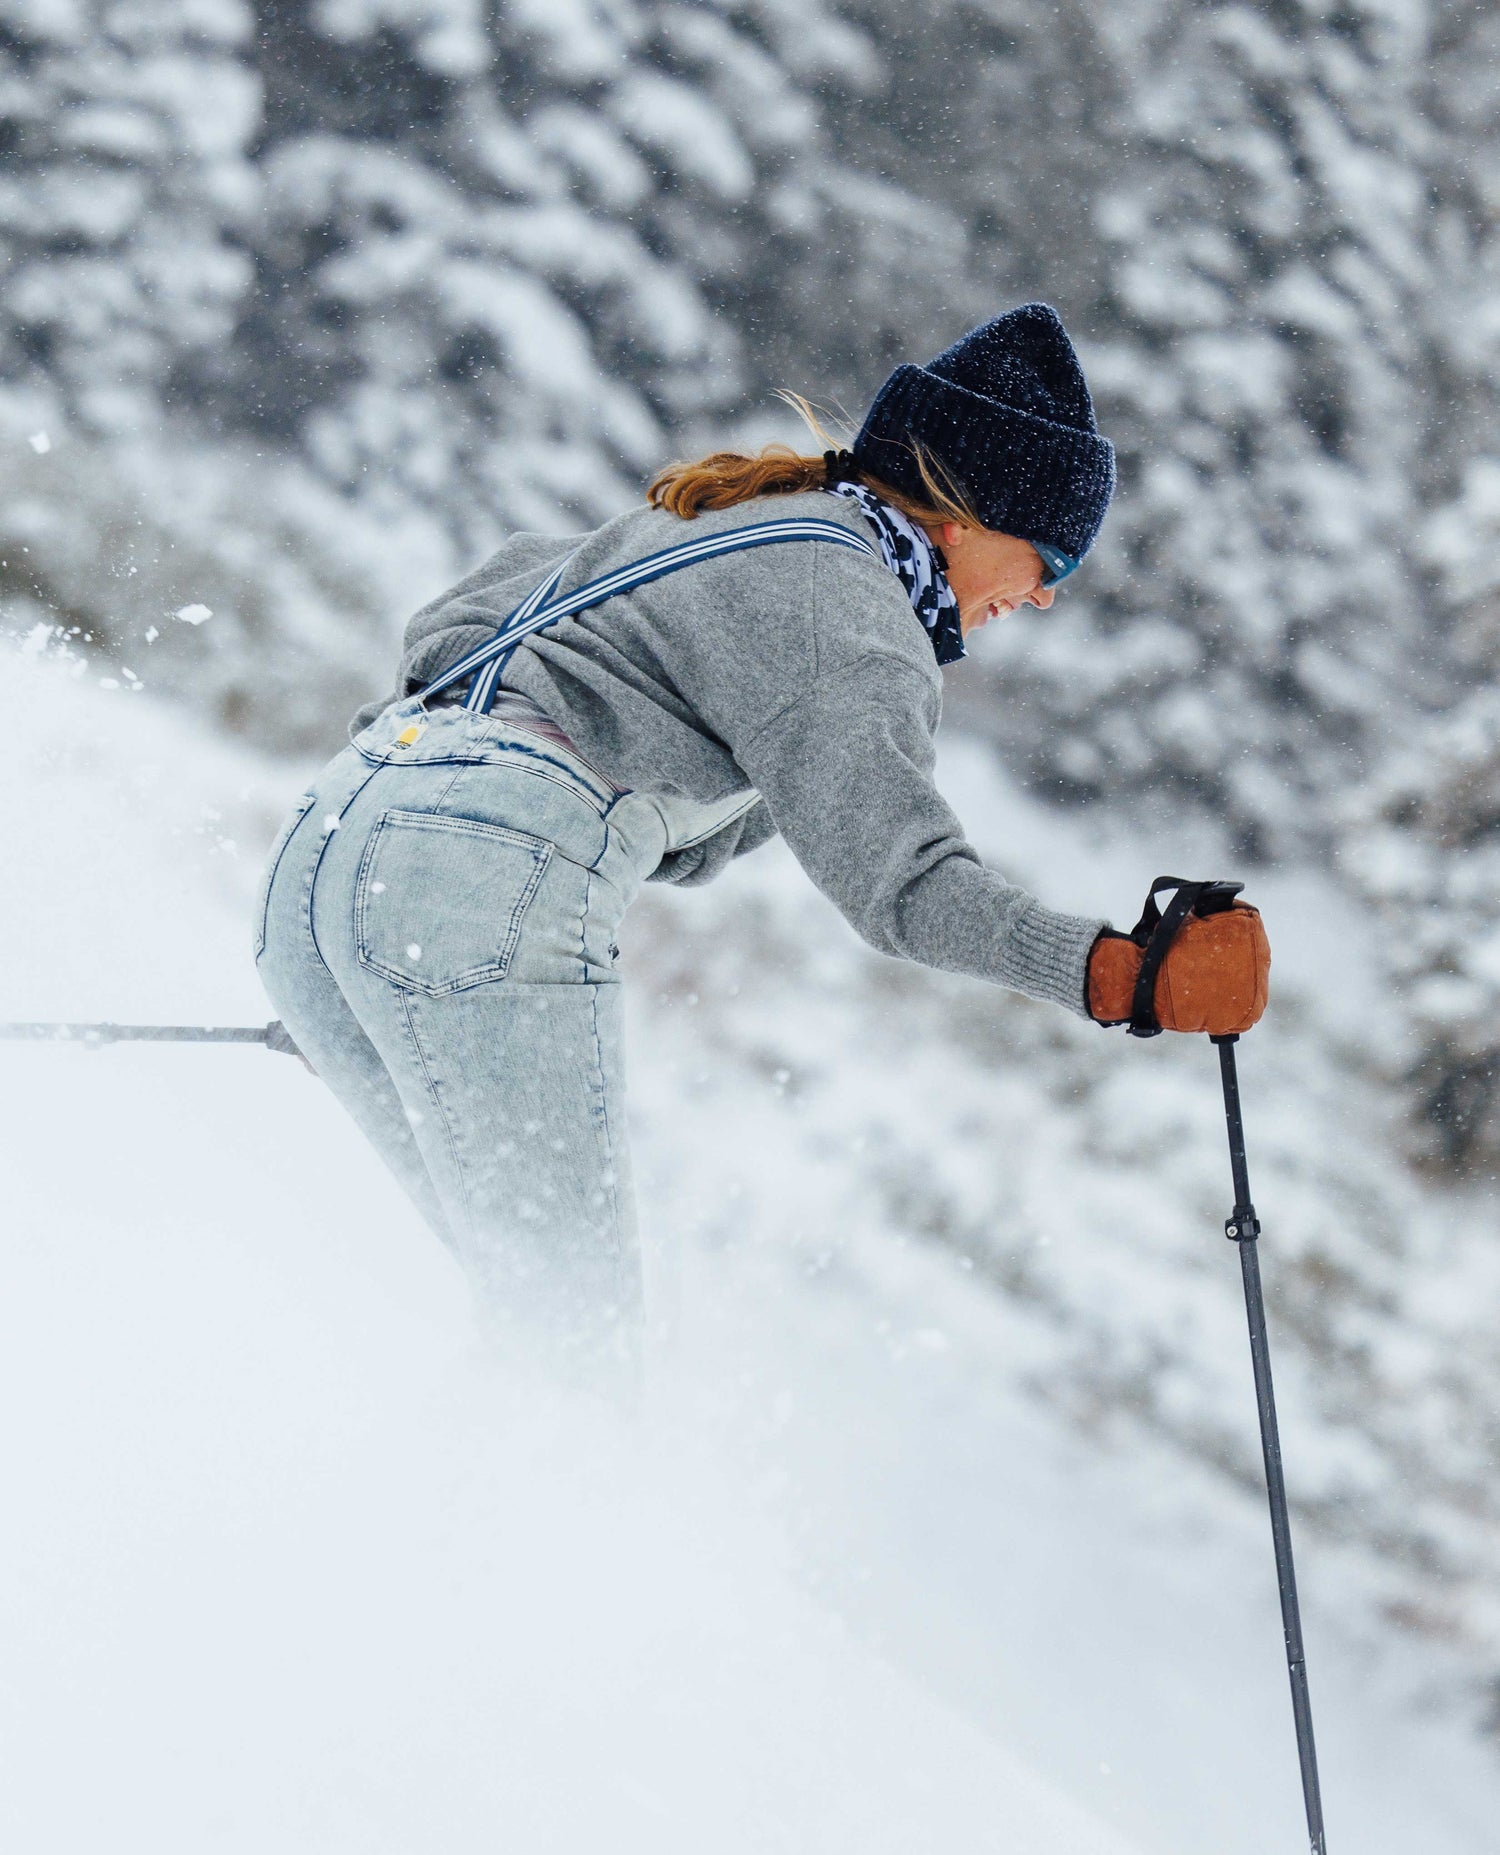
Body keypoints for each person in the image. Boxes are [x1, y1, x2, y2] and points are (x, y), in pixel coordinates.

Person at [254, 302, 1269, 1386]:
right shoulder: (851, 612)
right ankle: (511, 1547)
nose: (1050, 592)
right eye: (1052, 552)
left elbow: (466, 620)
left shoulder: (727, 523)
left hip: (330, 848)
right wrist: (1127, 975)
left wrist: (383, 929)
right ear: (967, 518)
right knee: (575, 1354)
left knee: (535, 1326)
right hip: (471, 890)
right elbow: (909, 887)